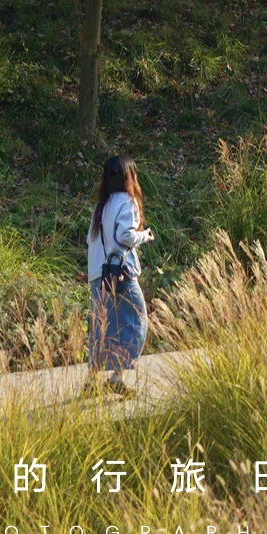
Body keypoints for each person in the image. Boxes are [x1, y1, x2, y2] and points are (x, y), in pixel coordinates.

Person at [85, 155, 154, 397]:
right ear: (128, 176)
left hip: (97, 274)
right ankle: (116, 377)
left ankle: (92, 380)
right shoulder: (128, 201)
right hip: (121, 275)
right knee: (137, 321)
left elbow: (90, 241)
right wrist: (144, 235)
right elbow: (125, 236)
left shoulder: (100, 206)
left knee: (102, 327)